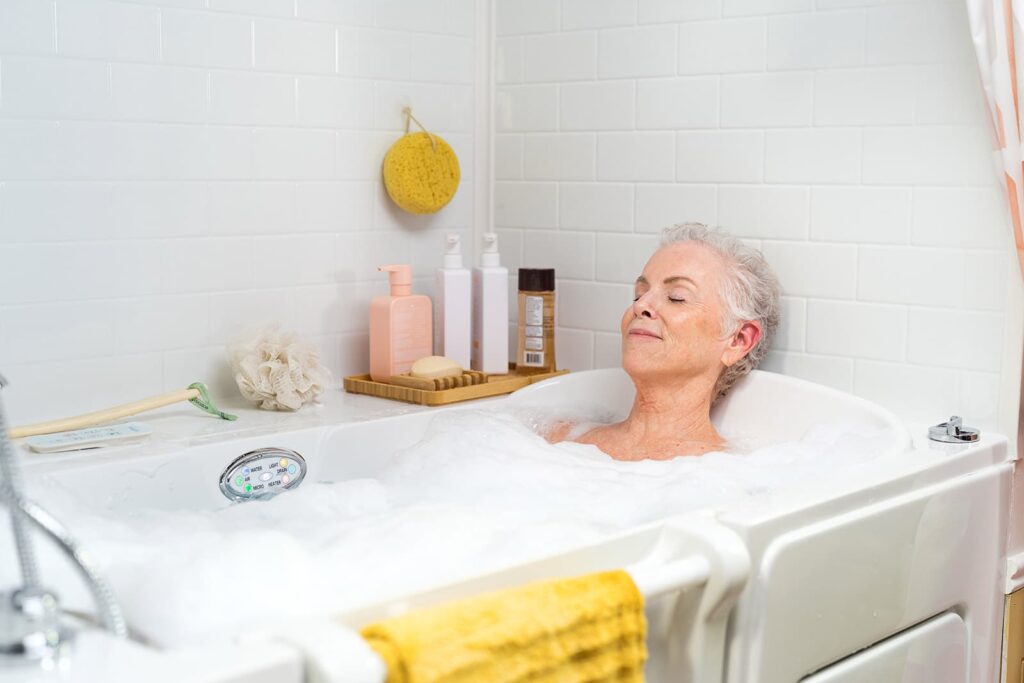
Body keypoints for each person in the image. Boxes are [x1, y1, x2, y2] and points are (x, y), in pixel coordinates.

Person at [553, 223, 780, 460]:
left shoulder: (723, 476)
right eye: (639, 294)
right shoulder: (557, 439)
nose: (640, 306)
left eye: (676, 298)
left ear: (738, 340)